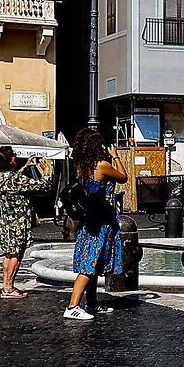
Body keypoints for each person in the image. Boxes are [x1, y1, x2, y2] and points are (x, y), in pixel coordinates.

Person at [63, 127, 129, 321]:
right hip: (102, 220)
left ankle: (91, 303)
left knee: (95, 262)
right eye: (100, 144)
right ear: (95, 146)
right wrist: (116, 156)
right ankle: (72, 306)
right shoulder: (101, 165)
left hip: (89, 220)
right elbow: (123, 177)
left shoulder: (82, 167)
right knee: (89, 264)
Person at [0, 147, 51, 300]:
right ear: (10, 160)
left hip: (6, 222)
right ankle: (9, 288)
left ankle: (5, 286)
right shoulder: (15, 180)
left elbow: (12, 180)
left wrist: (25, 167)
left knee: (8, 255)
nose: (15, 157)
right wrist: (47, 172)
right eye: (13, 156)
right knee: (16, 254)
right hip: (19, 222)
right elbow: (42, 186)